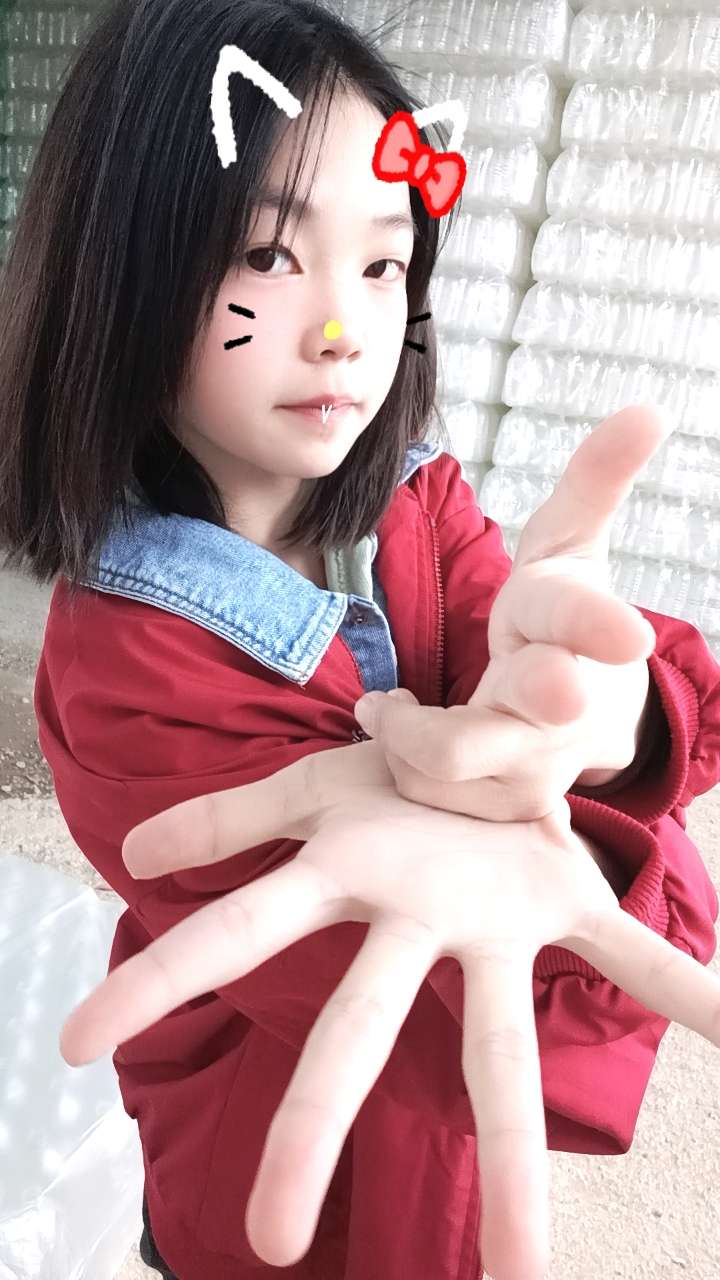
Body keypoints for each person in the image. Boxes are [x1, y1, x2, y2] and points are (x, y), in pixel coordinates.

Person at [0, 0, 718, 1276]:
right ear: (120, 270)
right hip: (264, 1181)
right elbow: (495, 1017)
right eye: (268, 254)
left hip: (425, 1175)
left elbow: (528, 659)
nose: (344, 327)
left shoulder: (416, 500)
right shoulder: (127, 674)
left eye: (384, 264)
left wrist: (611, 713)